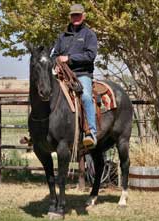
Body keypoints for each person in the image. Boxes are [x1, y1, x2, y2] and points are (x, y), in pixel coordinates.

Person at [51, 4, 98, 149]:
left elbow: (90, 55)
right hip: (62, 74)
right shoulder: (62, 36)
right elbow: (53, 54)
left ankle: (90, 132)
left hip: (82, 74)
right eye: (73, 15)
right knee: (46, 93)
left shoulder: (89, 34)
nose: (75, 18)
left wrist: (69, 59)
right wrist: (56, 62)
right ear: (70, 17)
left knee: (85, 97)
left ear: (83, 16)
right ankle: (40, 133)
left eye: (78, 15)